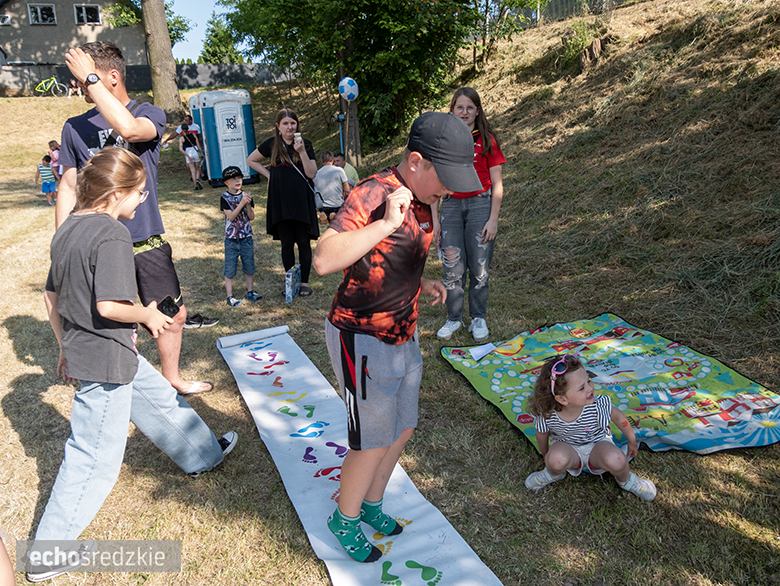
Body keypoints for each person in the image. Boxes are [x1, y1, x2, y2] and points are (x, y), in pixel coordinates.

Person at [28, 147, 237, 583]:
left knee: (159, 398)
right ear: (116, 193)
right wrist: (146, 314)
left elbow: (52, 297)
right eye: (139, 193)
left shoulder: (66, 229)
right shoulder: (112, 234)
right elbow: (109, 304)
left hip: (103, 349)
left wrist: (64, 343)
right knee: (92, 456)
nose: (143, 201)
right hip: (104, 357)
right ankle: (48, 554)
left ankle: (205, 454)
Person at [312, 111, 481, 563]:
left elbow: (393, 258)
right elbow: (325, 260)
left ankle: (371, 504)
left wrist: (419, 282)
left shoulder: (428, 201)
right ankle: (343, 519)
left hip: (403, 331)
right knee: (371, 437)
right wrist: (385, 223)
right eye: (447, 176)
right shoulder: (374, 193)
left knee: (402, 427)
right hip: (361, 336)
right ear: (416, 161)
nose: (452, 188)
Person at [55, 41, 215, 396]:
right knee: (114, 317)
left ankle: (172, 378)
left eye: (85, 79)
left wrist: (90, 78)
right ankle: (127, 385)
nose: (80, 86)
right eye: (80, 80)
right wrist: (62, 238)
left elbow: (128, 129)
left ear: (111, 76)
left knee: (173, 314)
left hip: (145, 236)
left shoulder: (149, 112)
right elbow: (68, 184)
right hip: (97, 240)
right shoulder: (73, 128)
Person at [525, 354, 657, 501]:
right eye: (582, 388)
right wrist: (546, 456)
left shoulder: (598, 405)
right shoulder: (548, 414)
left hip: (598, 445)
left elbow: (620, 419)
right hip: (568, 448)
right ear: (562, 399)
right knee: (555, 460)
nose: (590, 388)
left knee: (618, 460)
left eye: (588, 381)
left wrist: (632, 440)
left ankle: (626, 481)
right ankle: (554, 474)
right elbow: (541, 434)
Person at [432, 87, 506, 344]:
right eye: (459, 107)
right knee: (452, 266)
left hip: (480, 205)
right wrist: (435, 220)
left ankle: (478, 317)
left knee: (479, 266)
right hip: (451, 206)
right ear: (452, 110)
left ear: (477, 111)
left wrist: (493, 218)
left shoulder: (487, 139)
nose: (464, 112)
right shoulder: (443, 140)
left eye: (469, 108)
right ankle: (454, 317)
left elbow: (497, 182)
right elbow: (434, 181)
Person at [247, 108, 318, 297]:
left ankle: (304, 282)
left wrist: (301, 150)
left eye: (292, 123)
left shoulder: (306, 144)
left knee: (303, 241)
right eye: (285, 123)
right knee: (286, 242)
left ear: (297, 125)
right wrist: (270, 175)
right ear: (278, 126)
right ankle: (291, 282)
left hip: (301, 199)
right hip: (280, 199)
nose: (289, 126)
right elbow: (251, 160)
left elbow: (311, 173)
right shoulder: (271, 145)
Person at [220, 165, 261, 306]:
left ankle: (250, 291)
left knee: (249, 265)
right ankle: (230, 296)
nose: (238, 181)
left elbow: (251, 217)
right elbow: (231, 217)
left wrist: (248, 205)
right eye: (233, 179)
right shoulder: (224, 197)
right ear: (226, 182)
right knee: (230, 267)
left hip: (246, 237)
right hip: (231, 239)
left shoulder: (247, 195)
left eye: (239, 178)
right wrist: (241, 203)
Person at [313, 150, 350, 223]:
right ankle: (334, 214)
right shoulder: (339, 170)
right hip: (337, 204)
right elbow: (347, 189)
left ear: (321, 161)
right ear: (332, 160)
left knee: (324, 210)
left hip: (323, 206)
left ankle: (324, 214)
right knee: (338, 210)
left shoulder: (316, 173)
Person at [179, 122, 203, 190]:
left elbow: (181, 149)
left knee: (192, 170)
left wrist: (187, 156)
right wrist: (201, 153)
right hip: (195, 151)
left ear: (182, 130)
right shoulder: (193, 135)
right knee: (197, 168)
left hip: (188, 152)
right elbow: (198, 145)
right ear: (188, 128)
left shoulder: (181, 138)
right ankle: (198, 178)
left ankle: (195, 186)